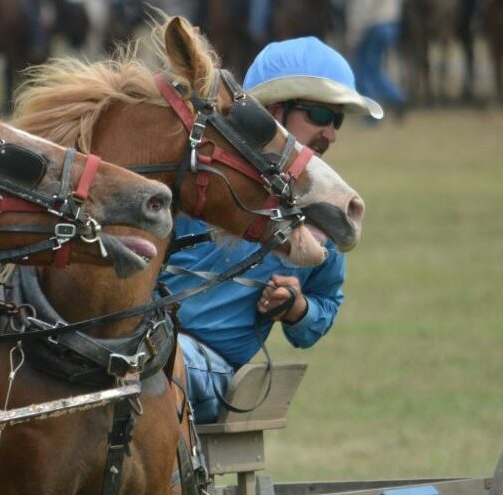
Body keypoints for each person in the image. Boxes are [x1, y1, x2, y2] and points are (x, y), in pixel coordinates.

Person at [161, 36, 383, 423]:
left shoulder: (323, 214)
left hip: (209, 369)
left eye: (338, 120)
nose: (330, 132)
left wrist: (298, 309)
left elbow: (325, 304)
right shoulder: (202, 177)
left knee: (155, 362)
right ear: (274, 113)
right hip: (144, 341)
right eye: (319, 115)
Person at [347, 0, 405, 119]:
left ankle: (372, 113)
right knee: (374, 69)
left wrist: (353, 37)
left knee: (364, 71)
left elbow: (362, 9)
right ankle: (396, 96)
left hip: (372, 27)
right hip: (391, 25)